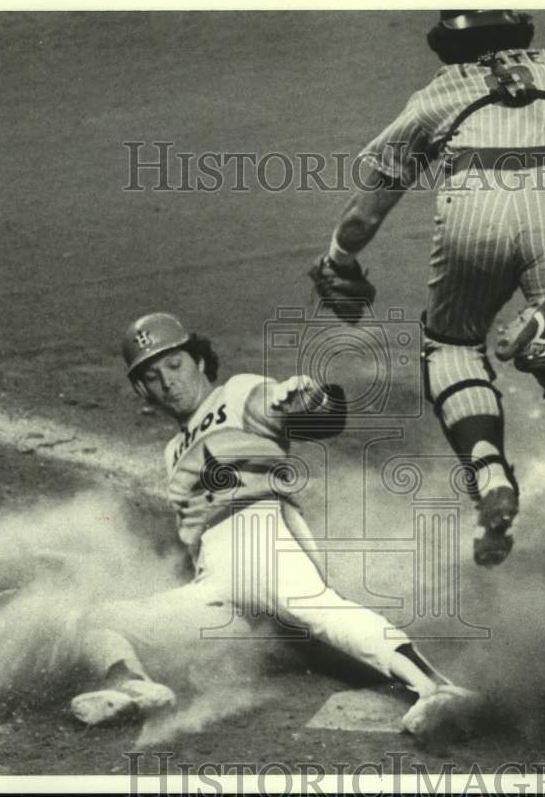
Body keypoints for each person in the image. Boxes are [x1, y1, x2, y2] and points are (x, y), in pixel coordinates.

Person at [310, 10, 545, 568]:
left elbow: (364, 215)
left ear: (448, 43)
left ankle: (488, 469)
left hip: (474, 207)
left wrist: (339, 259)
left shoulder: (439, 90)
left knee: (450, 346)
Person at [68, 311, 475, 736]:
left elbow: (311, 416)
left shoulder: (239, 392)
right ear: (141, 389)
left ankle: (438, 688)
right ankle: (133, 688)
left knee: (319, 612)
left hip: (261, 536)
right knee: (98, 620)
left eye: (175, 364)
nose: (168, 381)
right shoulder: (173, 451)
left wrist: (308, 399)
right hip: (219, 587)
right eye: (152, 376)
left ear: (199, 361)